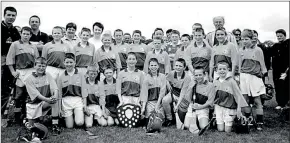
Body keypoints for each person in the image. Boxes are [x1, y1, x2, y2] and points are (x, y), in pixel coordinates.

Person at [6, 26, 39, 124]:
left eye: (28, 34)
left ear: (30, 35)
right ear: (21, 34)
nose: (25, 36)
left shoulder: (33, 46)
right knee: (19, 95)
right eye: (24, 33)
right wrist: (13, 71)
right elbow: (9, 60)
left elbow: (37, 60)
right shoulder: (15, 44)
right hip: (20, 72)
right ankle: (17, 117)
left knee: (30, 94)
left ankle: (27, 115)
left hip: (31, 71)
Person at [238, 29, 268, 131]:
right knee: (245, 99)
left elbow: (263, 66)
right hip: (243, 77)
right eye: (242, 39)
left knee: (257, 100)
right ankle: (248, 120)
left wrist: (264, 77)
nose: (244, 41)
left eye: (246, 39)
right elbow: (239, 66)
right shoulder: (241, 50)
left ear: (252, 39)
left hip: (255, 77)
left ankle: (260, 121)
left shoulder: (258, 50)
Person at [208, 62, 248, 132]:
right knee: (220, 129)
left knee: (227, 130)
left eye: (224, 69)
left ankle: (233, 120)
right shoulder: (215, 82)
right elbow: (213, 97)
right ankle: (218, 120)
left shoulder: (231, 81)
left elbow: (238, 95)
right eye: (220, 69)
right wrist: (213, 109)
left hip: (229, 108)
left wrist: (239, 108)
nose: (222, 70)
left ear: (228, 70)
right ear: (216, 70)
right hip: (219, 107)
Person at [25, 57, 61, 135]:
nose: (41, 68)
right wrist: (47, 99)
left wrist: (55, 96)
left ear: (46, 66)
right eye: (39, 66)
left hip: (44, 102)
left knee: (55, 101)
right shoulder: (29, 79)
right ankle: (27, 120)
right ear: (35, 66)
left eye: (43, 66)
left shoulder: (48, 75)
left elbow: (55, 88)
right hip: (33, 105)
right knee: (32, 127)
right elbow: (37, 95)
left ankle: (55, 125)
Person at [57, 53, 86, 128]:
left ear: (75, 63)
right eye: (67, 62)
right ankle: (68, 116)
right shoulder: (61, 77)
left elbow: (84, 92)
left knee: (79, 123)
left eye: (71, 62)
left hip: (77, 100)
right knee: (69, 126)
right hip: (66, 101)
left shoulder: (80, 75)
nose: (69, 64)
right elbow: (59, 94)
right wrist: (59, 108)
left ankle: (78, 114)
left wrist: (85, 106)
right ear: (64, 63)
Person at [1, 6, 21, 115]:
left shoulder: (15, 31)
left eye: (13, 15)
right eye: (8, 15)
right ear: (4, 15)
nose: (11, 17)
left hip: (11, 63)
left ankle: (4, 112)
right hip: (1, 60)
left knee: (6, 88)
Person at [183, 67, 214, 132]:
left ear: (204, 74)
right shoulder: (193, 84)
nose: (198, 77)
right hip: (193, 107)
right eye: (196, 75)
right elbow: (188, 99)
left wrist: (200, 107)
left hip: (203, 108)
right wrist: (191, 87)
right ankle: (196, 120)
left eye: (200, 75)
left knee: (203, 127)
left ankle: (207, 119)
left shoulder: (210, 85)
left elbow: (210, 102)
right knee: (186, 126)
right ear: (194, 76)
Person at [162, 58, 191, 127]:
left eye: (180, 66)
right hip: (173, 93)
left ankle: (180, 117)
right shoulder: (172, 73)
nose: (178, 67)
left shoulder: (187, 77)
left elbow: (183, 93)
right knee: (165, 100)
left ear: (184, 68)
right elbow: (166, 79)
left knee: (182, 115)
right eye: (176, 65)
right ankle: (169, 119)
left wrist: (177, 105)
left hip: (183, 96)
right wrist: (168, 84)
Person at [140, 58, 166, 126]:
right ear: (149, 66)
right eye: (151, 65)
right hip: (150, 102)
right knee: (149, 121)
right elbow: (144, 94)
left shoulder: (162, 77)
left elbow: (162, 92)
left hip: (159, 102)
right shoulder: (146, 78)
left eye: (155, 65)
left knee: (160, 120)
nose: (153, 67)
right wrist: (143, 108)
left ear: (158, 66)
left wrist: (157, 105)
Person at [269, 29, 289, 110]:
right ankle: (280, 104)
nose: (279, 37)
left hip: (286, 70)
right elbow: (268, 53)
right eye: (277, 36)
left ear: (285, 35)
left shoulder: (288, 43)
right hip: (276, 71)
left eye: (281, 36)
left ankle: (287, 104)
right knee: (278, 87)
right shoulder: (275, 46)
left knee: (286, 86)